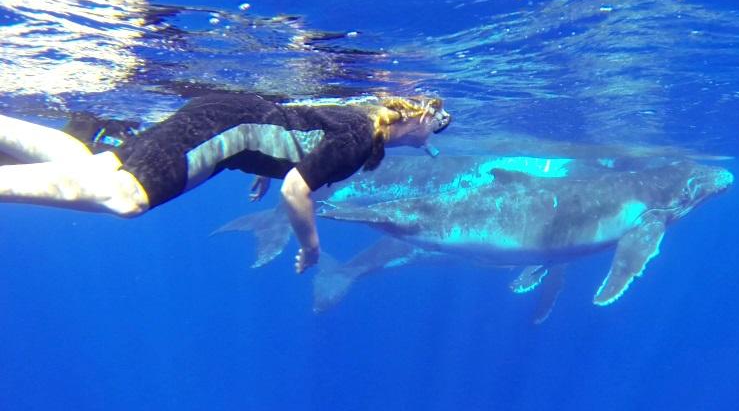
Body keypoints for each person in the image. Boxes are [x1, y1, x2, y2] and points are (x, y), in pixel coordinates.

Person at [0, 92, 451, 273]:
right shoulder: (359, 135)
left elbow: (293, 125)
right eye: (439, 125)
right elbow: (297, 189)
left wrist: (262, 168)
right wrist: (312, 246)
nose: (436, 135)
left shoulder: (359, 123)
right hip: (224, 128)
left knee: (96, 166)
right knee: (124, 196)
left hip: (223, 121)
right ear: (419, 120)